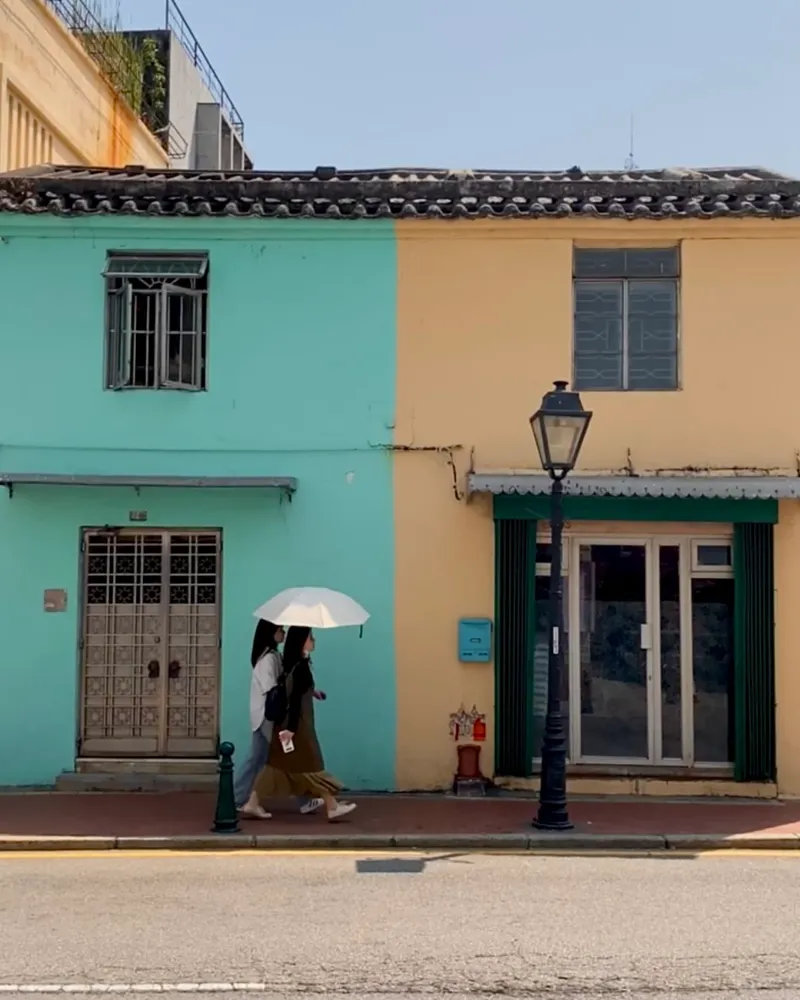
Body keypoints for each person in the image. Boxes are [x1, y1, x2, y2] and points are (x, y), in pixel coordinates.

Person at [253, 626, 356, 822]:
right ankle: (331, 805)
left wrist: (313, 692)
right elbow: (295, 701)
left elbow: (296, 692)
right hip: (297, 727)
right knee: (310, 766)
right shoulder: (300, 666)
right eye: (311, 637)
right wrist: (291, 730)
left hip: (288, 724)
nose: (314, 641)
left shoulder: (293, 664)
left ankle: (252, 802)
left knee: (277, 767)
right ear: (302, 642)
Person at [234, 620, 323, 819]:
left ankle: (304, 800)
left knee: (283, 758)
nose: (283, 633)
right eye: (280, 630)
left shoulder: (274, 657)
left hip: (270, 716)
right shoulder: (267, 660)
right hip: (267, 717)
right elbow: (274, 688)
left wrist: (308, 691)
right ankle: (240, 798)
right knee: (264, 759)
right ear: (271, 633)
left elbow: (287, 683)